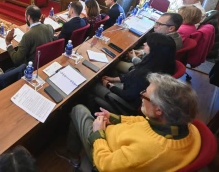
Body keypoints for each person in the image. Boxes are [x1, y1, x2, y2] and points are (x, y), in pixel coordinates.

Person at [67, 73, 200, 171]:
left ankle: (74, 158)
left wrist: (98, 134)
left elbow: (105, 165)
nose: (141, 96)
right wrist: (116, 118)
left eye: (144, 95)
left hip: (104, 153)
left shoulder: (150, 150)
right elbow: (144, 121)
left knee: (78, 110)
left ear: (158, 110)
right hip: (119, 142)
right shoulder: (184, 126)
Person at [90, 33, 176, 114]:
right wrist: (113, 79)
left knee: (93, 86)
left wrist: (109, 85)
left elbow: (128, 95)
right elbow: (133, 74)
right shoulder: (159, 62)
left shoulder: (147, 74)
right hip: (131, 88)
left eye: (148, 43)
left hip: (129, 101)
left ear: (155, 49)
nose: (145, 44)